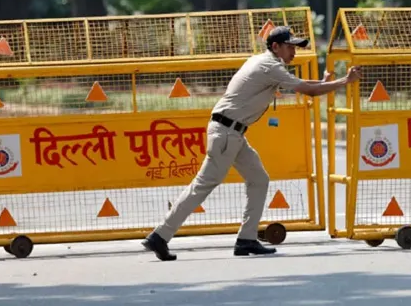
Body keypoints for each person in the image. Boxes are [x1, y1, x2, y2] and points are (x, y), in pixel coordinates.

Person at [142, 25, 362, 261]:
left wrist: (322, 81)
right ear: (275, 46)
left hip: (232, 134)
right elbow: (309, 91)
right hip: (227, 134)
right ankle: (160, 235)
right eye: (290, 47)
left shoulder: (266, 63)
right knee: (202, 186)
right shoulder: (269, 66)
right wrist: (344, 81)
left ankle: (246, 239)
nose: (294, 52)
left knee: (259, 179)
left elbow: (299, 82)